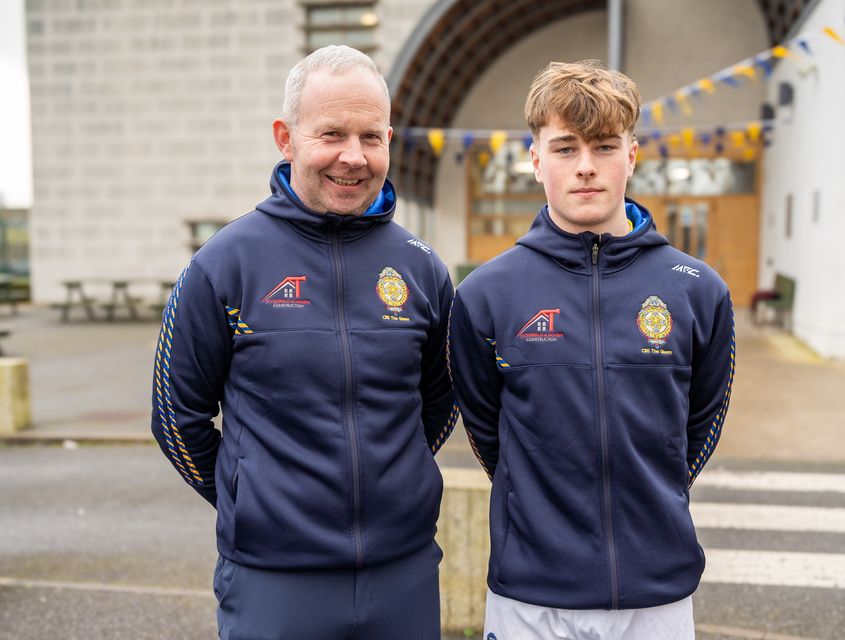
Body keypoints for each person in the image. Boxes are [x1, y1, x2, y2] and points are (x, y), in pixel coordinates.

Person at [150, 45, 457, 640]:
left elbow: (439, 404)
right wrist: (253, 500)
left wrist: (395, 486)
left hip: (405, 572)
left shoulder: (423, 270)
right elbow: (175, 416)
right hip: (273, 578)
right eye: (331, 134)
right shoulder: (224, 265)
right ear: (285, 138)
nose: (353, 156)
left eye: (371, 137)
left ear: (389, 139)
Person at [447, 60, 735, 639]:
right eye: (564, 148)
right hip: (531, 595)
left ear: (631, 156)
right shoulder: (486, 294)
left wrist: (654, 496)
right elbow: (487, 430)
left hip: (655, 594)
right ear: (534, 160)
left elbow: (699, 426)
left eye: (604, 146)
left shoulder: (697, 289)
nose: (585, 167)